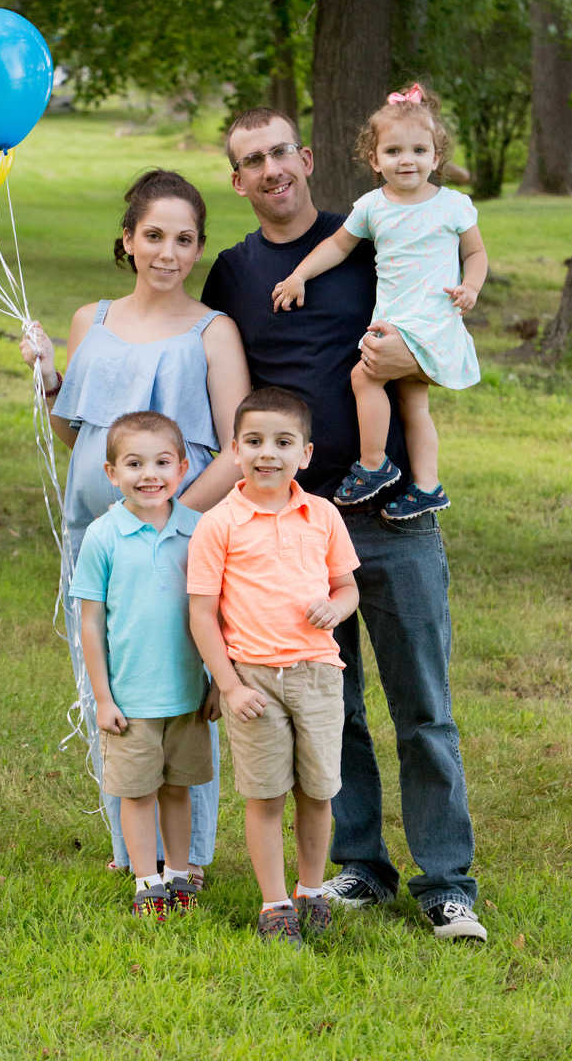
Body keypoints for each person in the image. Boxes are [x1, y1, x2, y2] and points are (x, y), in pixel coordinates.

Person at [200, 106, 487, 942]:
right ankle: (359, 864)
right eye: (250, 161)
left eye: (279, 152)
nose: (269, 170)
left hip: (386, 510)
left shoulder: (372, 232)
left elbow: (442, 308)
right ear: (238, 178)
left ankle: (445, 882)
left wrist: (415, 355)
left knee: (421, 704)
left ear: (307, 156)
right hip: (287, 522)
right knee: (338, 706)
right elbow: (218, 379)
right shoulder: (231, 272)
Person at [20, 169, 250, 880]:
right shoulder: (93, 319)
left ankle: (187, 857)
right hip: (94, 535)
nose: (168, 252)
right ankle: (134, 850)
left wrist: (169, 520)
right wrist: (50, 375)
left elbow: (239, 448)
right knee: (107, 685)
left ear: (197, 248)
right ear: (127, 240)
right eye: (153, 235)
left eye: (184, 239)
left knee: (175, 689)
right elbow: (75, 436)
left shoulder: (212, 332)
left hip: (178, 543)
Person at [188, 387, 359, 947]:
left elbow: (346, 586)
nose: (269, 453)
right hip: (254, 680)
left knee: (317, 790)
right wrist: (229, 685)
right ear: (235, 450)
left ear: (305, 454)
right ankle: (275, 902)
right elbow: (202, 613)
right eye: (255, 441)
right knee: (265, 795)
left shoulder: (323, 515)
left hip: (316, 672)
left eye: (283, 442)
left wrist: (336, 608)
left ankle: (311, 890)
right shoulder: (219, 523)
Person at [272, 82, 488, 519]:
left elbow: (476, 253)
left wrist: (472, 287)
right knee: (413, 403)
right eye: (393, 152)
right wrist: (298, 275)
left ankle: (373, 465)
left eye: (418, 150)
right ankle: (428, 486)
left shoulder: (452, 206)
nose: (406, 160)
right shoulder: (374, 206)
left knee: (364, 377)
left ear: (436, 156)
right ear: (374, 160)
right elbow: (336, 246)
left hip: (431, 321)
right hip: (396, 320)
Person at [70, 411, 213, 919]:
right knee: (137, 793)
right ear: (111, 473)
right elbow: (90, 622)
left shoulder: (199, 532)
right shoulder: (104, 536)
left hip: (188, 694)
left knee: (178, 790)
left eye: (161, 462)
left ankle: (179, 875)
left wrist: (219, 680)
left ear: (183, 467)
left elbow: (218, 613)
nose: (148, 474)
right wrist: (103, 697)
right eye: (134, 463)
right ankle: (146, 881)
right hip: (130, 699)